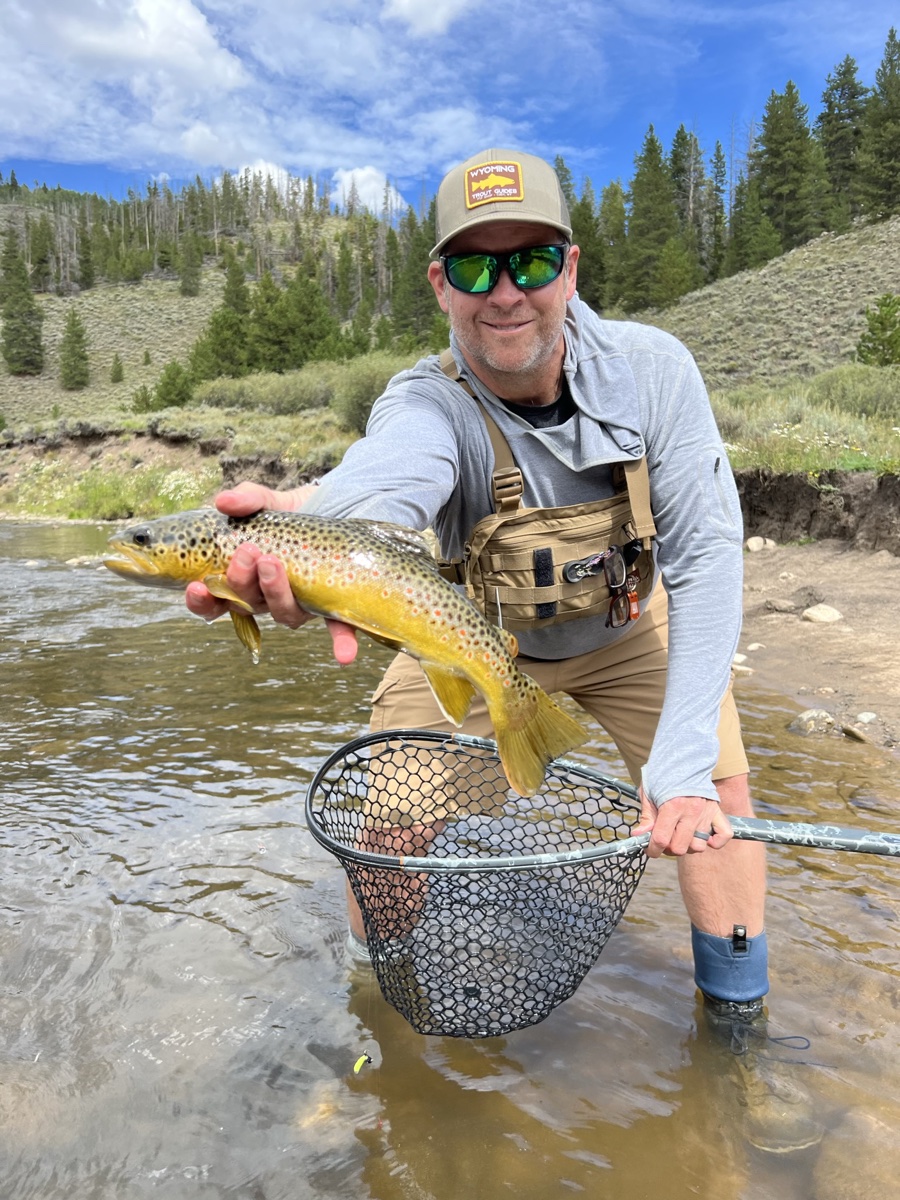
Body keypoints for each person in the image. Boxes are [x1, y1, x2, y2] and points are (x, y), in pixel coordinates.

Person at [186, 147, 768, 1034]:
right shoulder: (428, 401)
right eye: (475, 265)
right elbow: (386, 480)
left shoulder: (655, 373)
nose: (505, 292)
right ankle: (370, 1021)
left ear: (569, 270)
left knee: (719, 801)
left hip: (626, 637)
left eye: (531, 259)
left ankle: (738, 1030)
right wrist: (301, 524)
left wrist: (683, 763)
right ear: (439, 284)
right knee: (390, 824)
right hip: (469, 637)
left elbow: (710, 555)